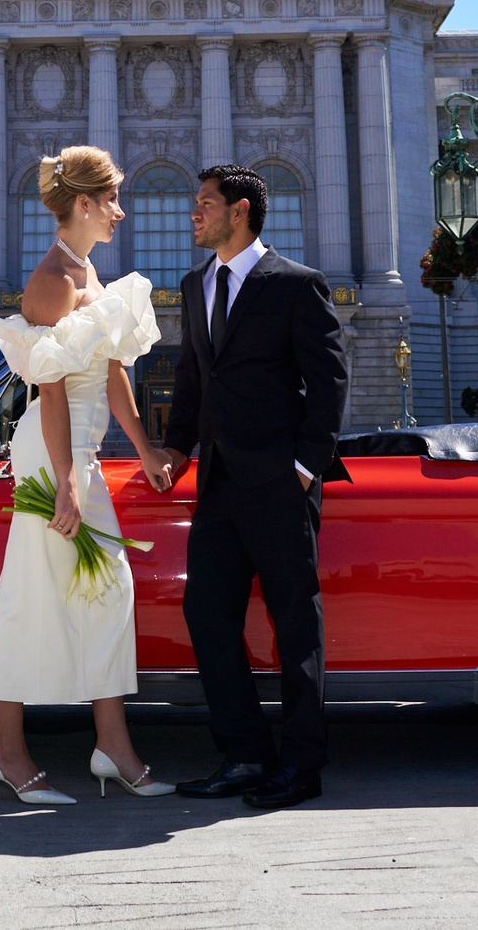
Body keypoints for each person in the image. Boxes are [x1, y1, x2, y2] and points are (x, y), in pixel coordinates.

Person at [0, 145, 176, 805]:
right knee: (33, 596)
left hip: (77, 456)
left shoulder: (89, 270)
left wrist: (145, 448)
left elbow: (114, 372)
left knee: (108, 592)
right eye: (111, 198)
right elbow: (52, 393)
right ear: (83, 203)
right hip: (51, 453)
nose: (120, 209)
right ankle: (8, 750)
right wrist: (64, 480)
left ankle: (111, 748)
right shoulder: (51, 279)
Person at [144, 162, 349, 810]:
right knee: (207, 614)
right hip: (220, 483)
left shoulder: (295, 283)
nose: (193, 213)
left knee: (296, 623)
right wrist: (177, 447)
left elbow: (330, 379)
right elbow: (194, 379)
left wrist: (306, 465)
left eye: (204, 203)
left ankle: (301, 765)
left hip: (280, 481)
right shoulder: (195, 282)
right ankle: (244, 753)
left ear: (241, 210)